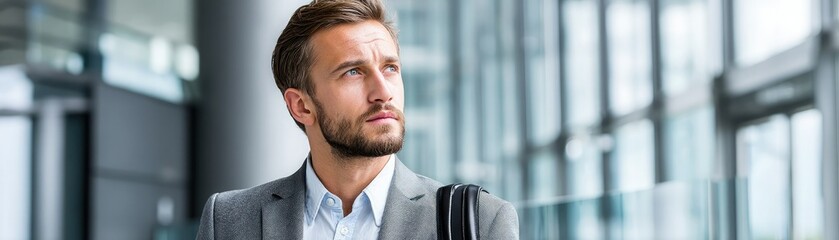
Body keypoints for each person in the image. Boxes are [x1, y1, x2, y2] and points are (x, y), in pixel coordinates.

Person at [195, 0, 519, 239]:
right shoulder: (228, 220)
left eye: (390, 68)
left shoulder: (479, 221)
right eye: (353, 72)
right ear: (301, 106)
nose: (383, 92)